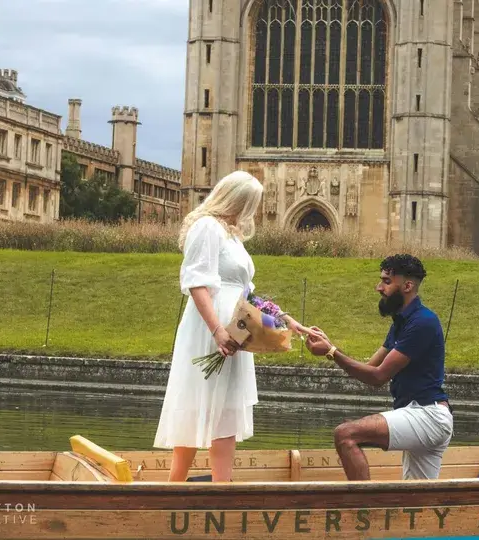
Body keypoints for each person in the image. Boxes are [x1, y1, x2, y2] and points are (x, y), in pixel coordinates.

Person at [154, 170, 316, 482]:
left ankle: (221, 485)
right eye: (249, 203)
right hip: (210, 326)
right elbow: (197, 283)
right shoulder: (207, 228)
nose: (250, 211)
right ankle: (175, 486)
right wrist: (217, 330)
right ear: (235, 199)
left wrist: (284, 319)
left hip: (237, 326)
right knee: (195, 400)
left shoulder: (232, 236)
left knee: (226, 408)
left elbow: (247, 292)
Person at [305, 254, 453, 481]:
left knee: (346, 435)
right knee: (416, 499)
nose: (378, 287)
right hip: (420, 414)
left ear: (407, 285)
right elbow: (369, 368)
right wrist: (330, 346)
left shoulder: (422, 322)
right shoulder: (402, 323)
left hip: (428, 416)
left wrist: (331, 352)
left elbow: (378, 377)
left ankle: (365, 509)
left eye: (386, 281)